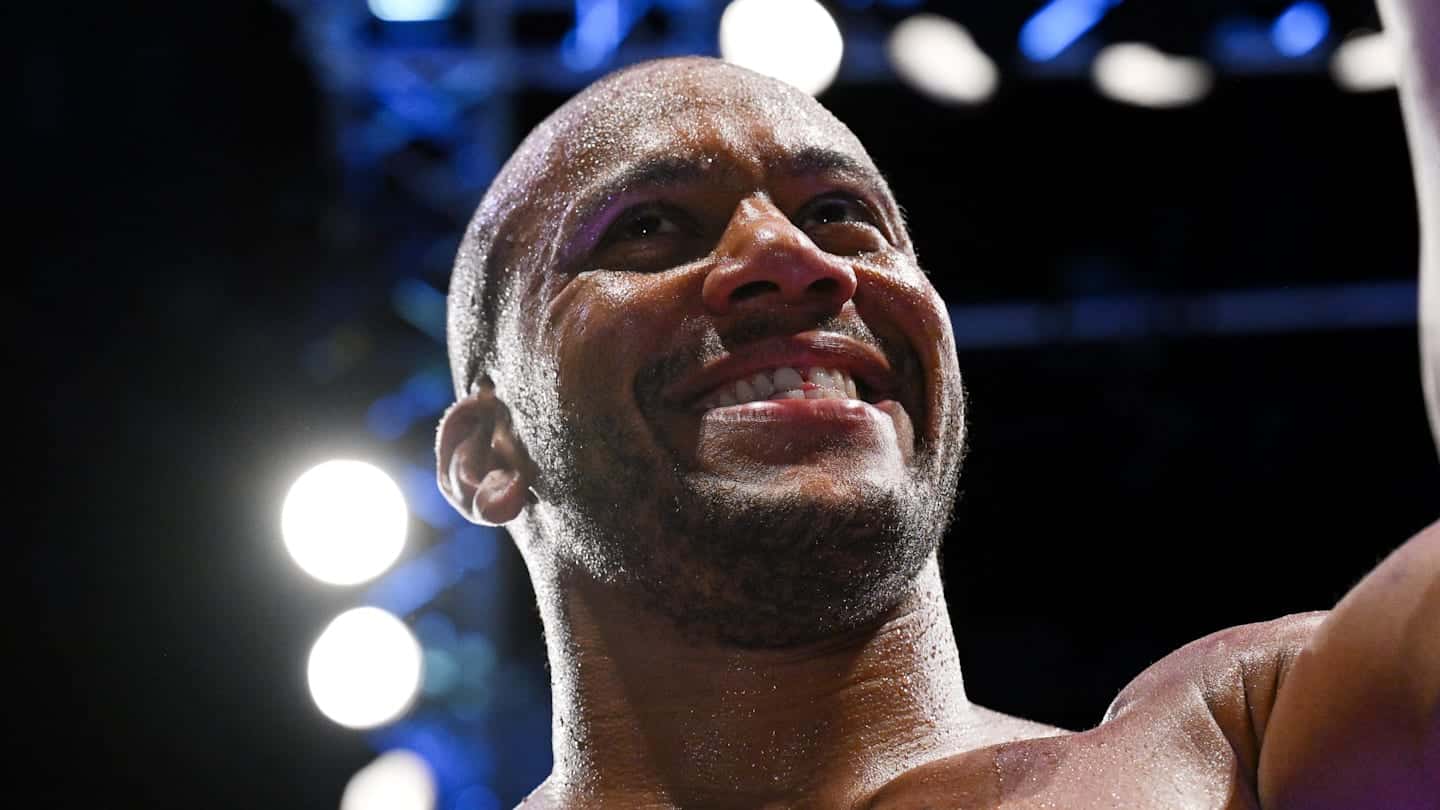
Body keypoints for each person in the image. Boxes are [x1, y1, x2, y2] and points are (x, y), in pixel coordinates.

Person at [435, 3, 1438, 806]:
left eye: (841, 214)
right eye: (649, 226)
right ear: (488, 455)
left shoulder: (1239, 749)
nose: (794, 257)